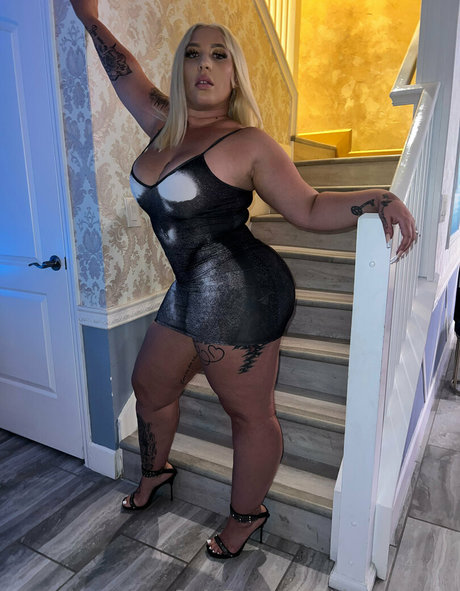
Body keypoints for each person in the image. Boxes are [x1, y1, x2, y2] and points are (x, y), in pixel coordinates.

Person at [70, 0, 417, 560]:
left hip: (243, 291)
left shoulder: (249, 143)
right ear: (181, 69)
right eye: (193, 54)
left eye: (219, 56)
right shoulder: (162, 123)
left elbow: (308, 207)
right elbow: (122, 68)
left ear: (234, 74)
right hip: (189, 288)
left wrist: (378, 197)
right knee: (150, 387)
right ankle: (156, 472)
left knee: (249, 414)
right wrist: (89, 17)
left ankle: (247, 514)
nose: (205, 65)